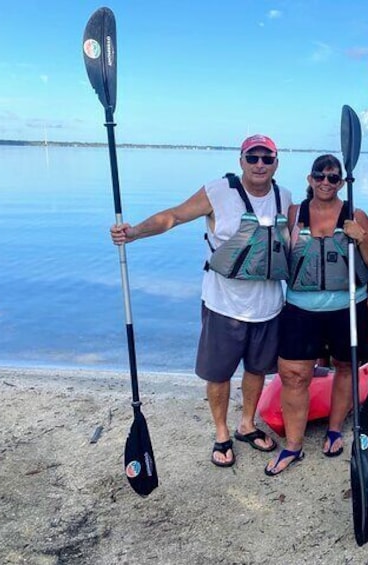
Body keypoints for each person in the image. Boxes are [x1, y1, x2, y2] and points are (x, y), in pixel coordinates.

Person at [109, 134, 291, 468]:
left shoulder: (285, 197)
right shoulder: (218, 191)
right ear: (241, 160)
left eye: (267, 158)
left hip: (267, 306)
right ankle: (221, 432)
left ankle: (246, 424)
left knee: (256, 370)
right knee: (218, 373)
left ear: (276, 163)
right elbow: (175, 216)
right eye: (253, 157)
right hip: (224, 305)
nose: (260, 164)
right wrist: (134, 232)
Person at [264, 154, 368, 475]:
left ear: (341, 182)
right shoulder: (293, 214)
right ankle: (293, 445)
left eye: (332, 177)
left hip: (349, 308)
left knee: (344, 367)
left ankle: (335, 429)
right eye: (319, 176)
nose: (325, 182)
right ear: (310, 179)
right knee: (293, 375)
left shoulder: (356, 215)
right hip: (301, 309)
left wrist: (362, 238)